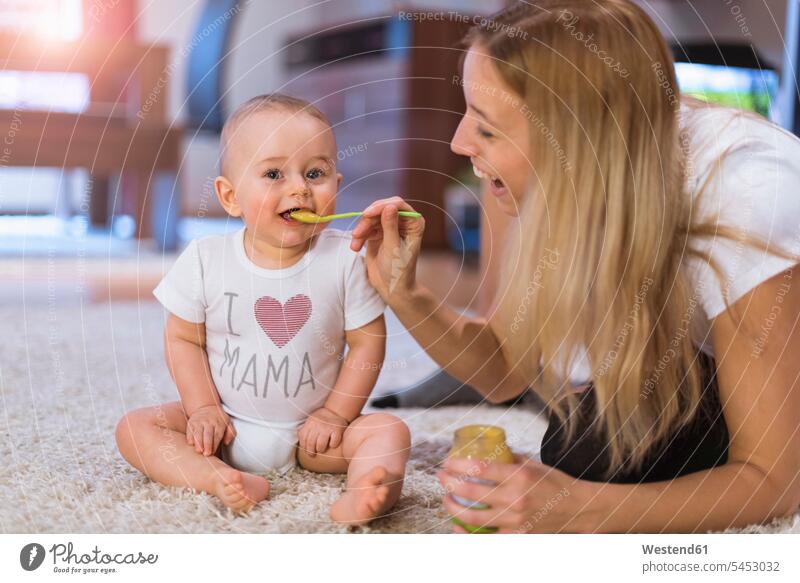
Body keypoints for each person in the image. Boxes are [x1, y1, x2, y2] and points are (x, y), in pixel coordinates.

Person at [351, 0, 800, 532]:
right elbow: (504, 369)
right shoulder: (565, 178)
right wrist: (406, 293)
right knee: (586, 438)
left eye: (488, 129)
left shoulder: (751, 199)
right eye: (468, 110)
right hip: (689, 345)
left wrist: (578, 509)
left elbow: (777, 481)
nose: (458, 142)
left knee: (596, 460)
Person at [115, 94, 410, 525]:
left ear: (337, 184)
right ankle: (214, 477)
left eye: (315, 173)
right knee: (135, 429)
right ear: (230, 197)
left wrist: (336, 413)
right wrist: (201, 409)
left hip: (313, 438)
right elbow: (182, 338)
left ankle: (368, 490)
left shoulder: (345, 260)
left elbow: (368, 344)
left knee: (389, 433)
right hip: (224, 427)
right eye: (274, 173)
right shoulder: (205, 259)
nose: (299, 188)